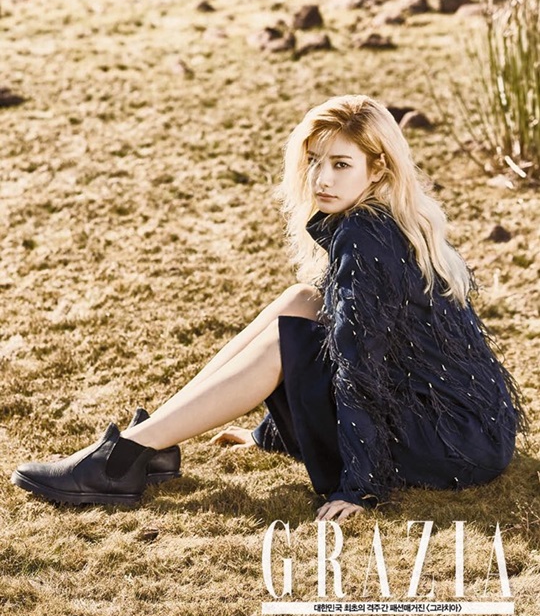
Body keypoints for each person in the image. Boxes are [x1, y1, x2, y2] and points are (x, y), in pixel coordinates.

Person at [11, 94, 526, 523]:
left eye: (341, 164)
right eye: (315, 161)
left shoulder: (366, 235)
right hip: (470, 428)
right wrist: (271, 433)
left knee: (290, 338)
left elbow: (362, 366)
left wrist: (359, 488)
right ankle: (154, 439)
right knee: (301, 301)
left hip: (450, 444)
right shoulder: (381, 219)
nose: (322, 179)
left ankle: (123, 459)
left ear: (377, 170)